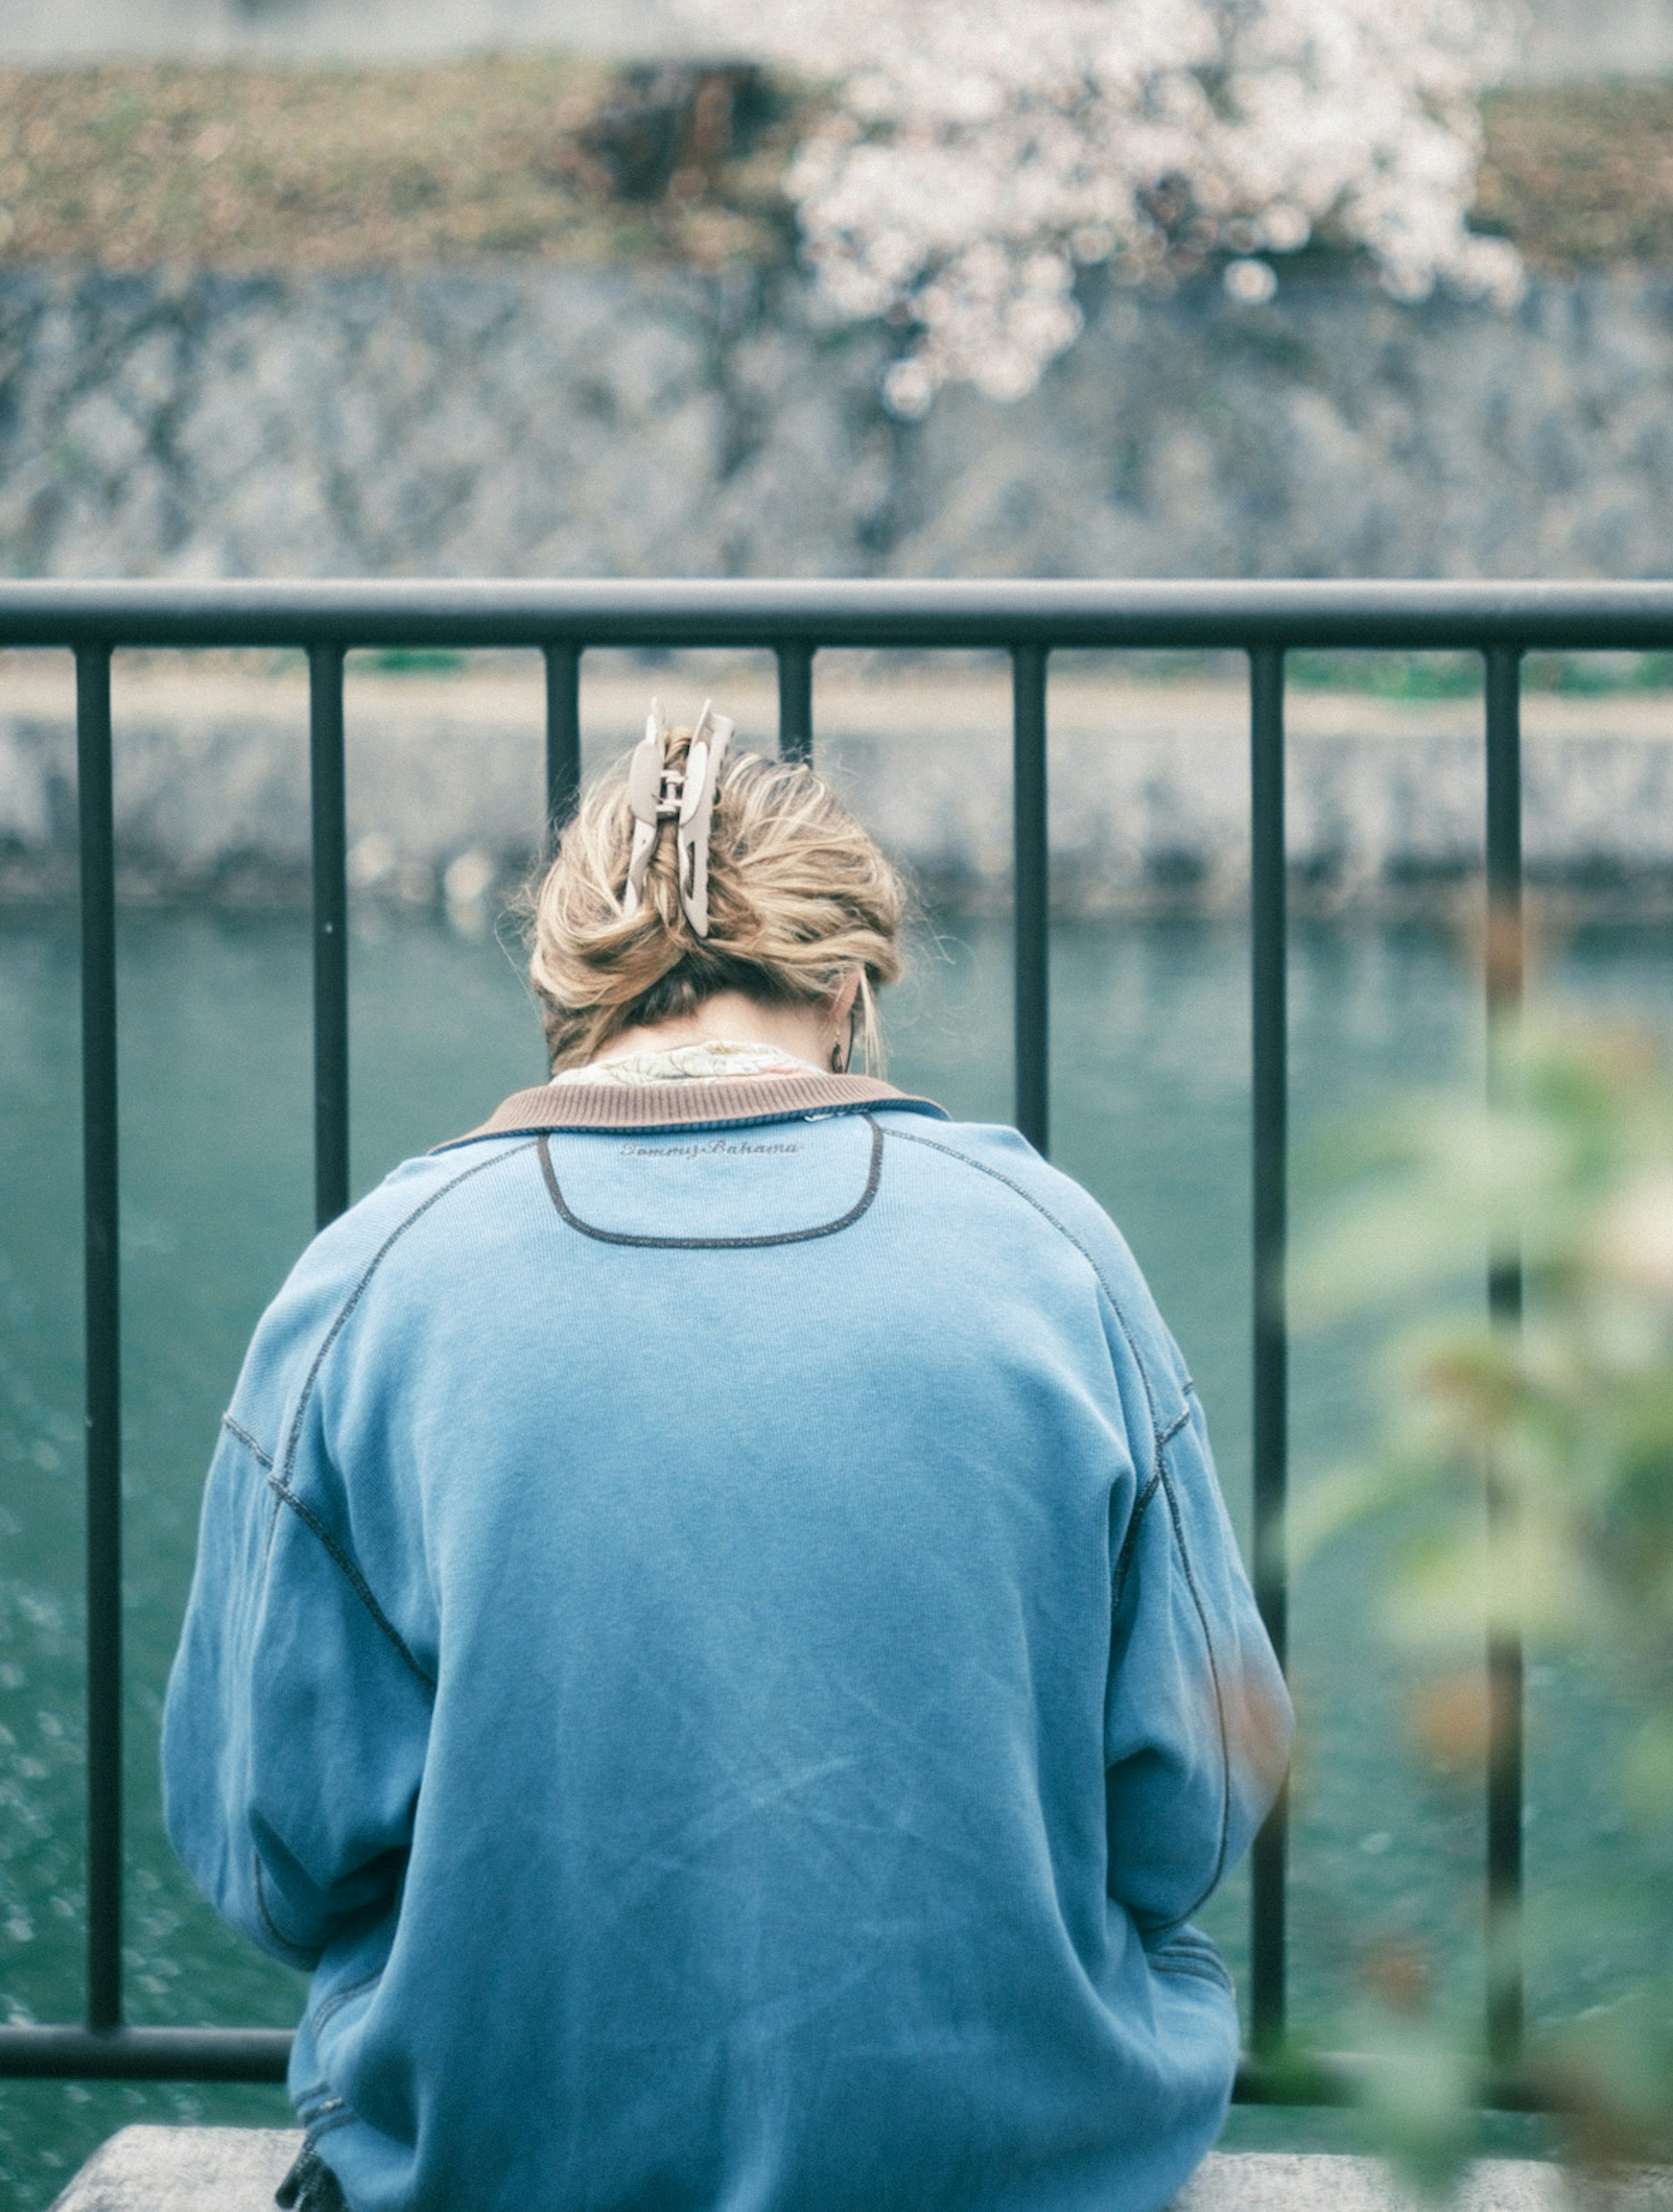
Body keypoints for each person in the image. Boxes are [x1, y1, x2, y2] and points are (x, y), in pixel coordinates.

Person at [163, 707, 1293, 2212]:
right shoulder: (1052, 1258)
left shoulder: (374, 1286)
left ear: (573, 994)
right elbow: (1196, 1805)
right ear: (843, 988)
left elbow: (271, 1852)